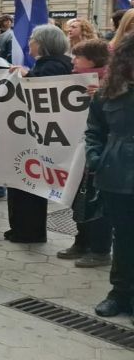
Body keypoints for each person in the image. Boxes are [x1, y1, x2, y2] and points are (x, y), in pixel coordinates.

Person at [5, 24, 72, 243]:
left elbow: (44, 99)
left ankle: (27, 231)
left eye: (33, 39)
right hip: (36, 135)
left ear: (42, 44)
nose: (29, 44)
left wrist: (28, 77)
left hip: (38, 137)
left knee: (29, 187)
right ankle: (20, 228)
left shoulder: (50, 67)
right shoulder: (53, 64)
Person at [86, 34, 134, 318]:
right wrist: (96, 159)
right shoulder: (107, 93)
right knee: (124, 237)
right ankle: (120, 294)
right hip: (115, 177)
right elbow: (94, 131)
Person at [57, 39, 112, 269]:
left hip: (100, 152)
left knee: (97, 202)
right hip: (79, 150)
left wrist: (102, 97)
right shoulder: (74, 81)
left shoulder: (111, 83)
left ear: (92, 60)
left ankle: (99, 249)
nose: (73, 61)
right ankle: (81, 241)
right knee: (79, 199)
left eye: (78, 57)